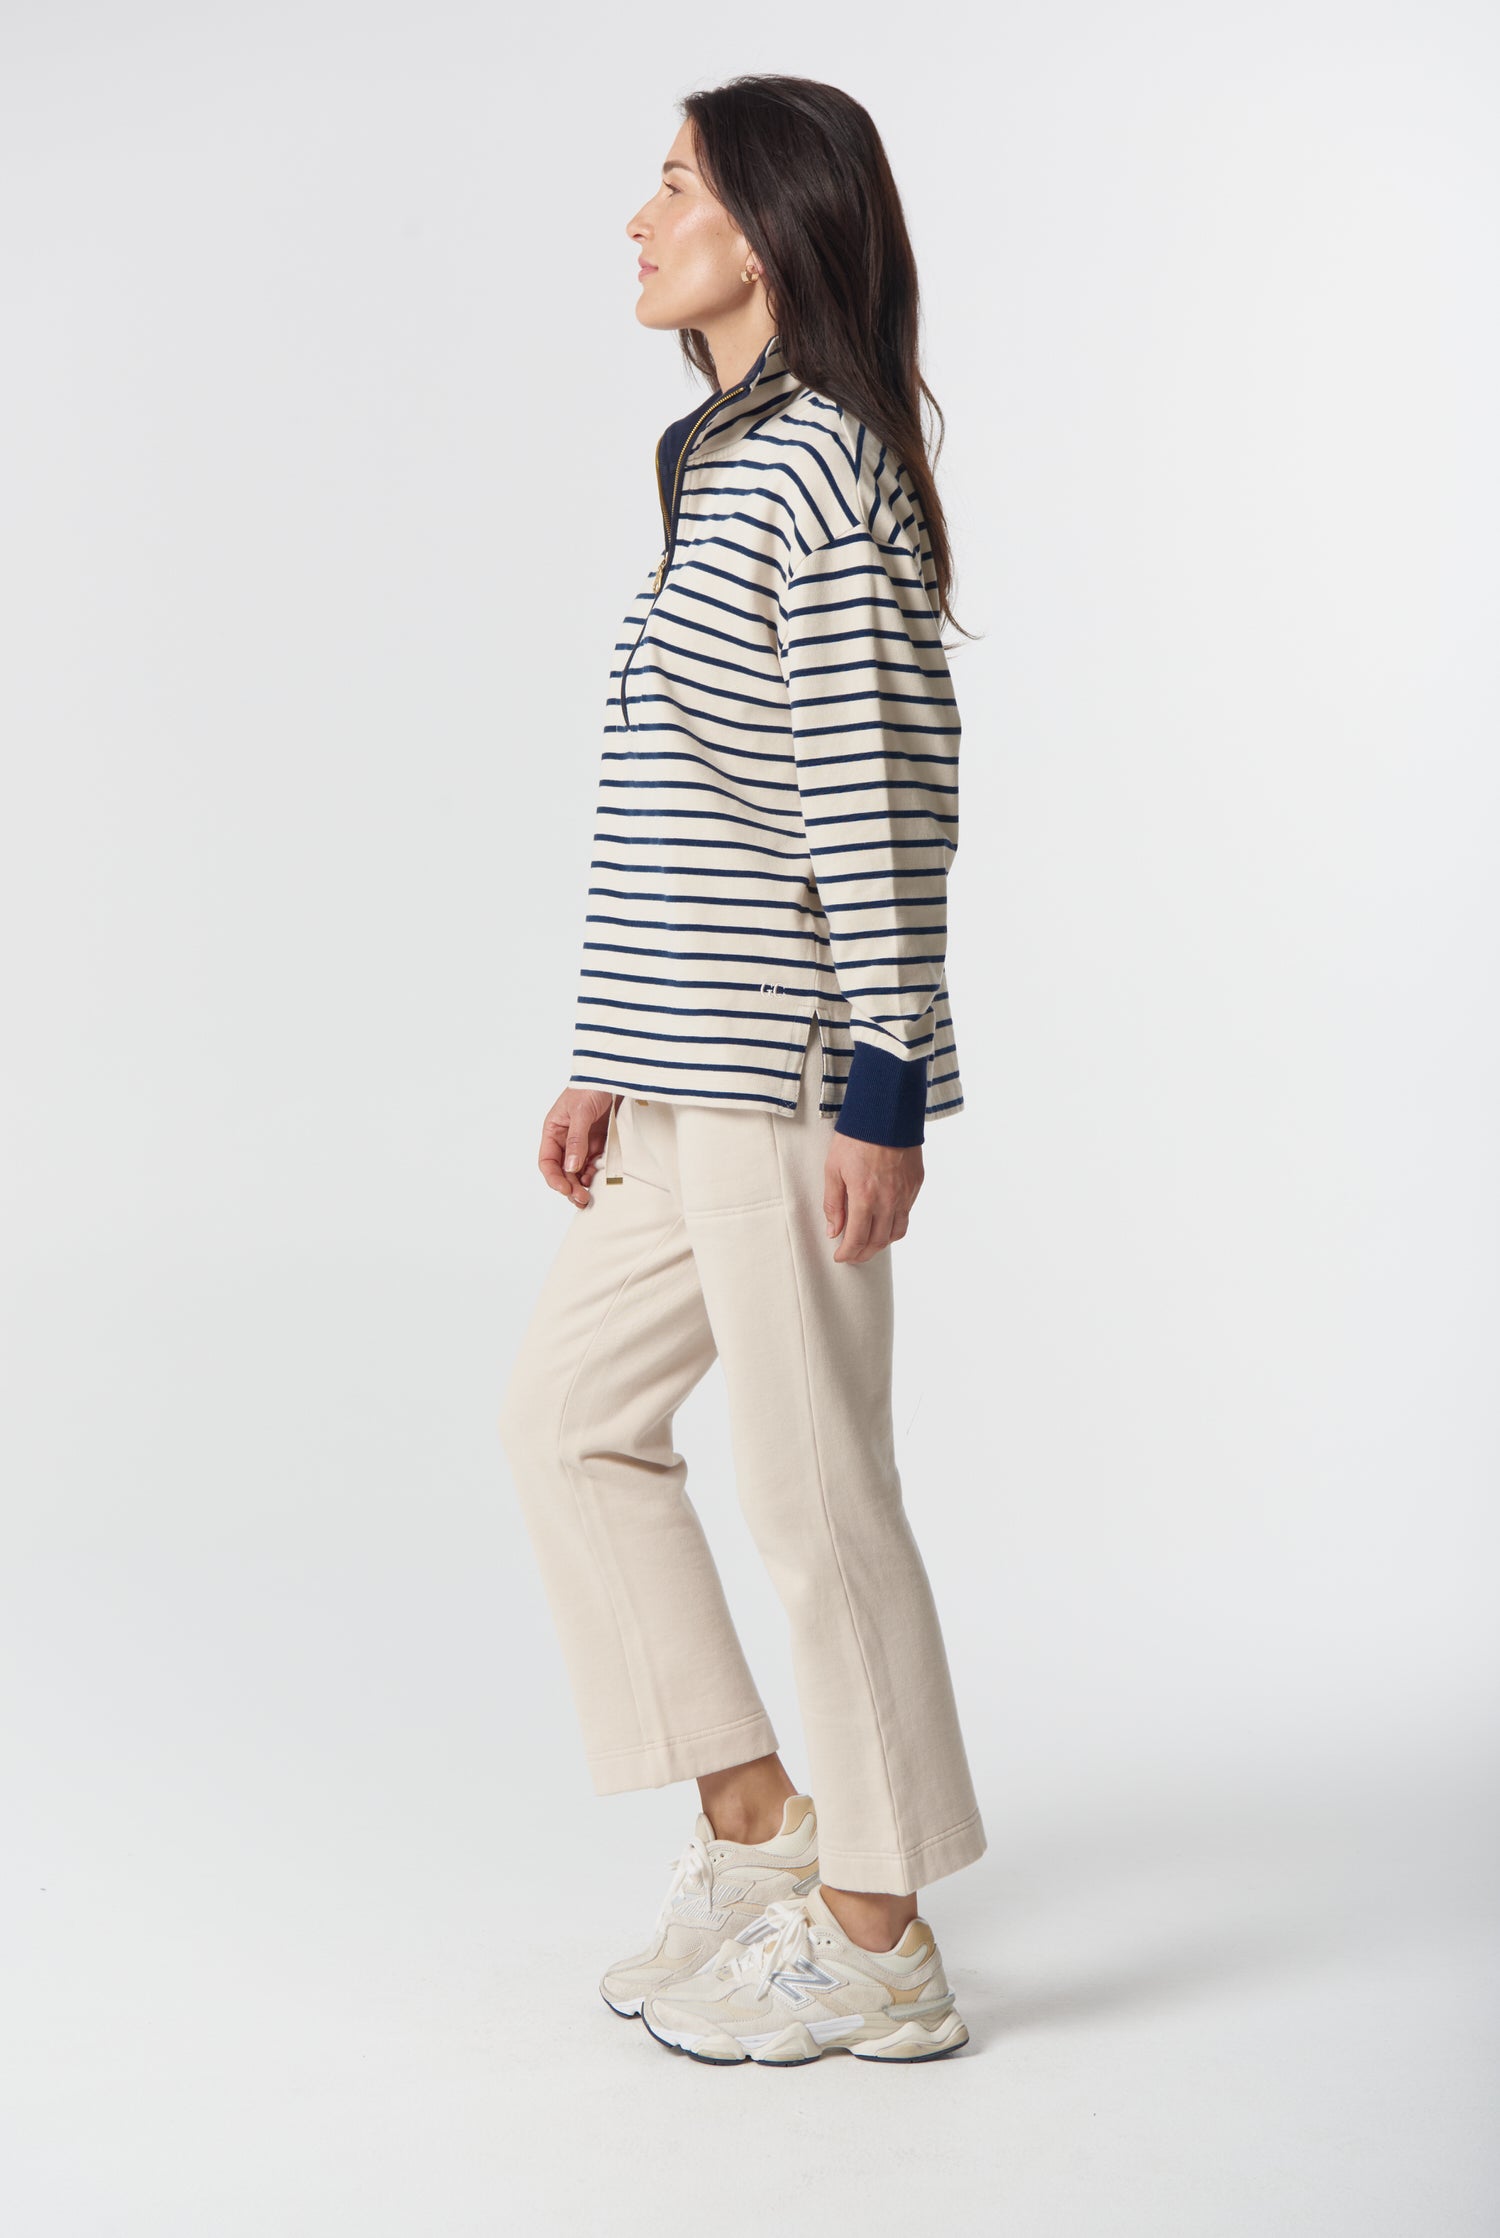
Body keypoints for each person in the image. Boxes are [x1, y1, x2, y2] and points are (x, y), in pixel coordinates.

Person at [499, 73, 984, 2067]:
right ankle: (764, 1823)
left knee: (814, 1496)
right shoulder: (722, 460)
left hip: (790, 1076)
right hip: (677, 1073)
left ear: (773, 227)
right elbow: (691, 804)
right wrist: (605, 1053)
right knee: (568, 1423)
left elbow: (877, 802)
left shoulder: (824, 471)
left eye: (677, 183)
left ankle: (879, 1935)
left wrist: (885, 1086)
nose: (639, 218)